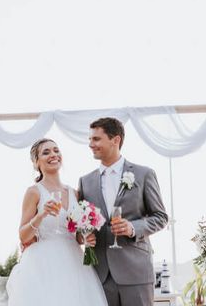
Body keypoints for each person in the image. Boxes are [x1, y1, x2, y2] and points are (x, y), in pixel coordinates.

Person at [78, 117, 169, 306]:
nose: (90, 144)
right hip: (99, 275)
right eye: (90, 139)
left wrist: (132, 227)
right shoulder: (85, 182)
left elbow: (161, 217)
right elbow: (80, 226)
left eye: (96, 139)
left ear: (115, 140)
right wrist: (84, 236)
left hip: (135, 270)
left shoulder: (144, 174)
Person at [6, 138, 108, 306]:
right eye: (46, 152)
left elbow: (76, 236)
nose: (53, 154)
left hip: (74, 262)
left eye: (56, 150)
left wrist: (85, 238)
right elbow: (23, 236)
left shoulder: (75, 193)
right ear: (36, 162)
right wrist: (41, 215)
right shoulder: (34, 192)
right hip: (44, 263)